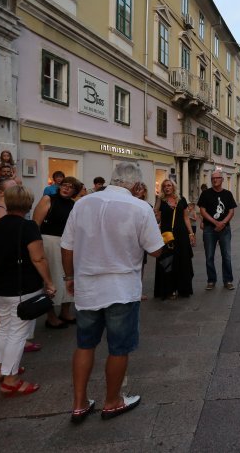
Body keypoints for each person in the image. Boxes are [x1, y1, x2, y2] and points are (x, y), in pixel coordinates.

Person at [61, 163, 164, 423]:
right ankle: (112, 400)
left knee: (85, 344)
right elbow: (156, 250)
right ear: (137, 186)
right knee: (118, 347)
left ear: (112, 179)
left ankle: (79, 403)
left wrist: (70, 276)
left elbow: (67, 246)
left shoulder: (82, 204)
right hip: (121, 287)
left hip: (87, 286)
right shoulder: (141, 208)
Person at [0, 186, 56, 396]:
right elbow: (38, 258)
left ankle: (1, 367)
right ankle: (11, 380)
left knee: (6, 327)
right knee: (18, 331)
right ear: (27, 204)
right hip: (20, 286)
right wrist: (49, 282)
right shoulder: (28, 227)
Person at [0, 178, 43, 362]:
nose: (18, 188)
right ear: (1, 193)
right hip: (12, 274)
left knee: (6, 322)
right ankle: (8, 376)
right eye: (13, 186)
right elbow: (10, 244)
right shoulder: (1, 213)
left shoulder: (4, 214)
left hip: (3, 275)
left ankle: (1, 368)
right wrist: (48, 280)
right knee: (11, 324)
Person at [32, 176, 82, 329]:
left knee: (69, 277)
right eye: (64, 185)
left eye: (71, 187)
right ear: (59, 186)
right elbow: (35, 224)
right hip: (49, 242)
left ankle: (65, 312)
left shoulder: (74, 205)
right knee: (52, 278)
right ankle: (51, 316)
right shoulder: (48, 199)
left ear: (75, 191)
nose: (66, 188)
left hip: (68, 244)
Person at [153, 179, 196, 299]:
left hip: (181, 234)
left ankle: (182, 288)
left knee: (182, 261)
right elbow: (156, 217)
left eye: (169, 185)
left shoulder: (181, 199)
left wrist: (191, 234)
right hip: (166, 235)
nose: (167, 188)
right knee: (167, 261)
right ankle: (169, 289)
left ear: (173, 187)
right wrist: (155, 216)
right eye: (165, 186)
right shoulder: (160, 200)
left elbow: (186, 218)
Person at [198, 171, 237, 290]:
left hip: (225, 229)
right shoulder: (205, 194)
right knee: (209, 256)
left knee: (226, 256)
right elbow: (202, 211)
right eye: (213, 178)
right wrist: (215, 222)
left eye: (217, 178)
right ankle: (211, 280)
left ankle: (228, 280)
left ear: (222, 179)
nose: (215, 180)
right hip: (209, 228)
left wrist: (223, 223)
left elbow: (231, 211)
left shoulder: (228, 194)